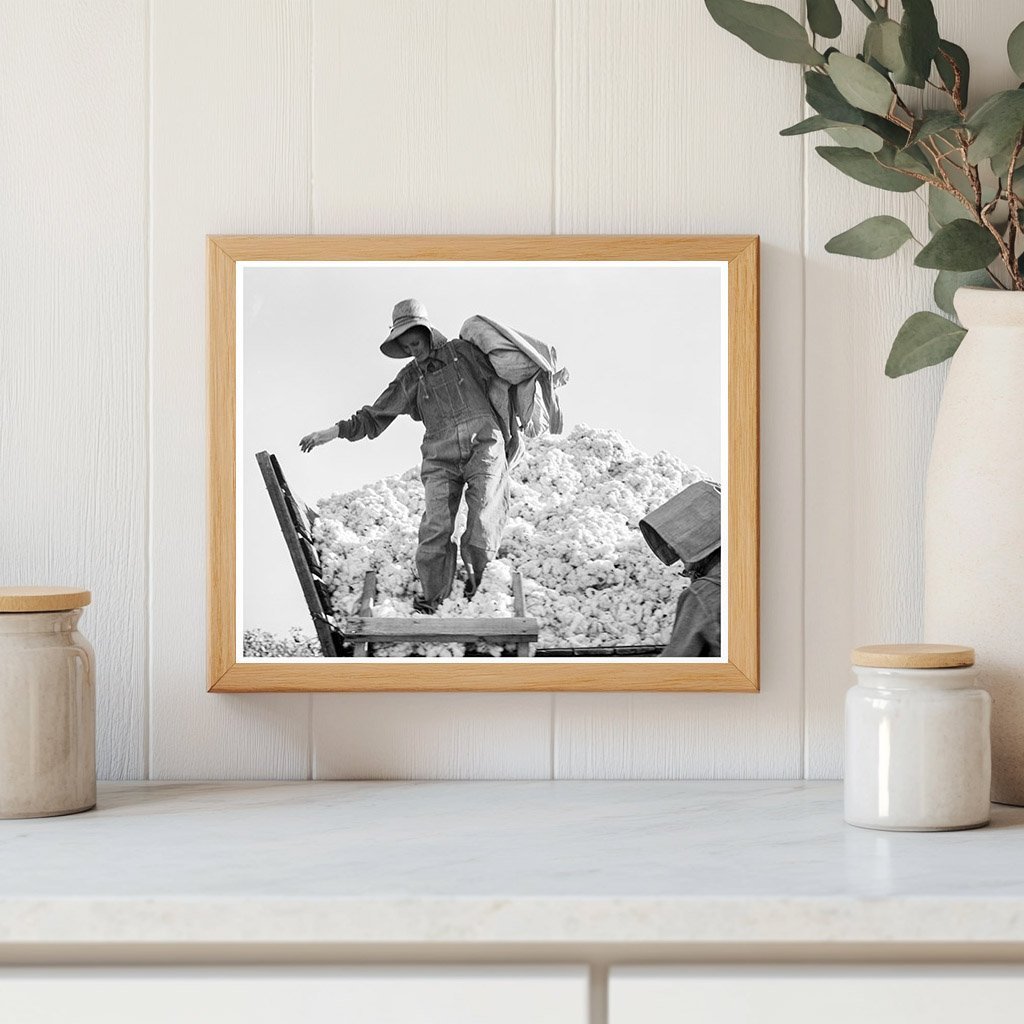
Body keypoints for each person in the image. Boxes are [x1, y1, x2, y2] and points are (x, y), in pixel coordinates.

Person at [300, 299, 510, 613]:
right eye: (407, 347)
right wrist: (332, 432)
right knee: (435, 528)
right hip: (440, 457)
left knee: (482, 519)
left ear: (428, 334)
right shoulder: (409, 378)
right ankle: (434, 601)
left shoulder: (463, 353)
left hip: (484, 444)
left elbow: (506, 367)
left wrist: (539, 376)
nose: (414, 351)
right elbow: (374, 416)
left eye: (416, 343)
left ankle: (479, 592)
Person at [639, 480, 722, 657]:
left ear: (698, 544)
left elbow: (677, 663)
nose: (679, 557)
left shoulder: (703, 593)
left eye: (679, 547)